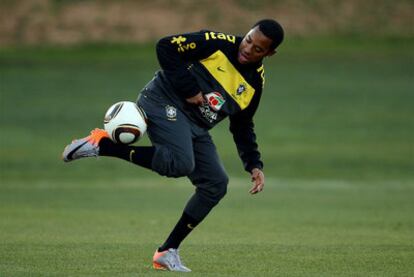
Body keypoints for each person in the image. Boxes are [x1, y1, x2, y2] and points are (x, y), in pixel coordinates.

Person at [62, 19, 284, 272]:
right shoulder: (216, 43)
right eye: (248, 40)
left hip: (195, 126)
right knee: (180, 163)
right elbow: (165, 47)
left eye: (258, 49)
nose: (248, 49)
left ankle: (167, 252)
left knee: (215, 184)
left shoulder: (255, 84)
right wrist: (189, 89)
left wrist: (253, 164)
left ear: (269, 53)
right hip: (161, 100)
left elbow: (242, 125)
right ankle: (103, 145)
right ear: (245, 35)